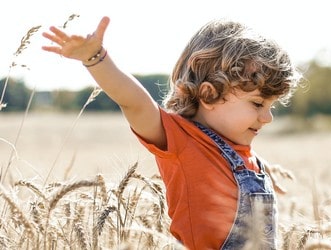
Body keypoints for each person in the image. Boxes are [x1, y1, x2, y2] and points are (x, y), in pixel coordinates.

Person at [42, 16, 301, 249]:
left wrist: (261, 168)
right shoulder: (181, 141)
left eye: (271, 106)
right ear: (209, 94)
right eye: (257, 104)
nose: (268, 118)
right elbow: (136, 103)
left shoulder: (242, 152)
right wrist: (96, 58)